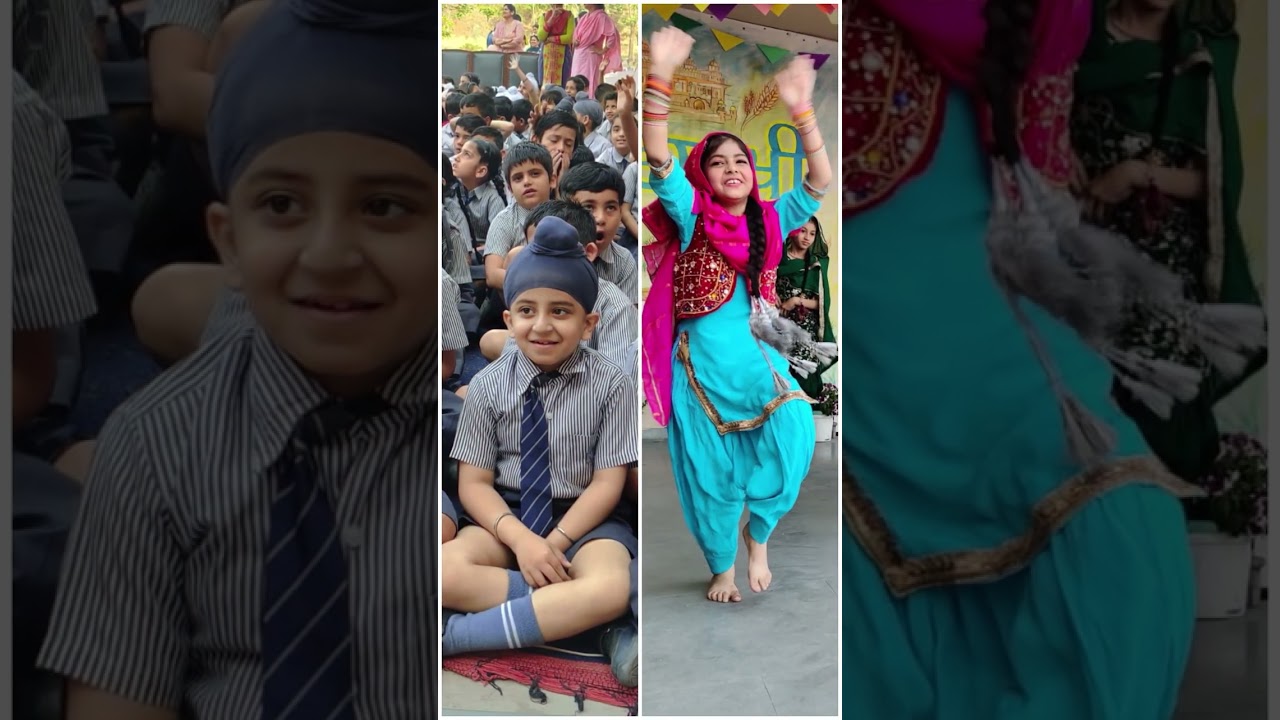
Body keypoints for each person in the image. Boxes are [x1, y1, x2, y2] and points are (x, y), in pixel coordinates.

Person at [837, 1, 1257, 717]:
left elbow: (1047, 182)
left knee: (1119, 523)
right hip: (864, 324)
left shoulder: (1058, 12)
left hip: (1002, 316)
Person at [36, 3, 440, 718]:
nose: (330, 255)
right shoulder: (154, 449)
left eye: (385, 206)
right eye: (282, 203)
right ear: (226, 239)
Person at [641, 27, 834, 603]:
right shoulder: (692, 212)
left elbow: (820, 181)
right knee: (710, 471)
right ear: (704, 174)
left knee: (797, 428)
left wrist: (802, 109)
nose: (732, 168)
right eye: (718, 162)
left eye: (740, 161)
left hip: (757, 354)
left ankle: (760, 533)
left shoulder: (771, 220)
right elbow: (656, 152)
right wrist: (662, 73)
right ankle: (723, 566)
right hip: (699, 360)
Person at [1071, 0, 1266, 482]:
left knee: (1159, 425)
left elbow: (1217, 181)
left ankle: (1158, 540)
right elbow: (1035, 113)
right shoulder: (1079, 35)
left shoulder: (1202, 50)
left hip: (1165, 270)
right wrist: (1058, 150)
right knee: (1078, 417)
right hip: (1079, 260)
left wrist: (1136, 175)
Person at [442, 216, 638, 677]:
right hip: (503, 518)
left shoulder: (611, 385)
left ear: (589, 323)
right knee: (441, 569)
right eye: (527, 311)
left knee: (610, 586)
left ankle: (454, 636)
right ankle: (581, 619)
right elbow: (473, 483)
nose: (542, 326)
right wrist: (523, 542)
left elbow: (608, 481)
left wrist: (554, 542)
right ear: (509, 320)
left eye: (562, 312)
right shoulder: (487, 383)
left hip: (585, 521)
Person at [776, 216, 836, 400]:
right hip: (778, 324)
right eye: (803, 231)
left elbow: (823, 302)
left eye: (812, 233)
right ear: (793, 230)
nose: (807, 237)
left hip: (805, 327)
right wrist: (775, 296)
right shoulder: (777, 257)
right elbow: (765, 283)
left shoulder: (817, 263)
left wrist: (795, 301)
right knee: (777, 371)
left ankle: (804, 414)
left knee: (803, 371)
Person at [570, 4, 622, 96]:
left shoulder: (602, 17)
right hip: (578, 56)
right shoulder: (584, 17)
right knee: (575, 83)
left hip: (590, 57)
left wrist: (602, 50)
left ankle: (590, 106)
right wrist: (575, 41)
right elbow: (575, 36)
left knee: (589, 83)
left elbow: (612, 36)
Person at [538, 4, 575, 88]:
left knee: (563, 83)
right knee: (544, 84)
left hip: (563, 54)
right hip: (546, 55)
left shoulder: (569, 16)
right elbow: (541, 37)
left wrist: (551, 39)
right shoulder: (544, 16)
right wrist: (552, 19)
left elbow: (569, 38)